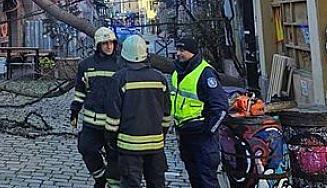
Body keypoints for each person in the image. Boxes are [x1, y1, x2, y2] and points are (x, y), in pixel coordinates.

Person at [104, 34, 171, 188]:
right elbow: (167, 114)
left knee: (130, 183)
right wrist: (161, 135)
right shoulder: (159, 78)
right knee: (157, 183)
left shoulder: (120, 78)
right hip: (155, 146)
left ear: (124, 55)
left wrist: (112, 142)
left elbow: (113, 117)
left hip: (129, 147)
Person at [171, 38, 229, 188]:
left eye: (182, 50)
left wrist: (209, 130)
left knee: (207, 180)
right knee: (195, 178)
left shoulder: (205, 73)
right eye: (177, 50)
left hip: (201, 135)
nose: (178, 53)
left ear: (192, 52)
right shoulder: (178, 72)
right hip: (184, 133)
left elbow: (221, 107)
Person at [70, 27, 121, 188]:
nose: (108, 46)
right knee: (86, 148)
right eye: (104, 43)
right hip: (92, 122)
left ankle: (113, 183)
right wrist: (75, 109)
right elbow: (80, 89)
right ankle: (101, 178)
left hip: (114, 124)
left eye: (111, 43)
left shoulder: (122, 65)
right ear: (97, 45)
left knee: (115, 157)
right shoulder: (86, 65)